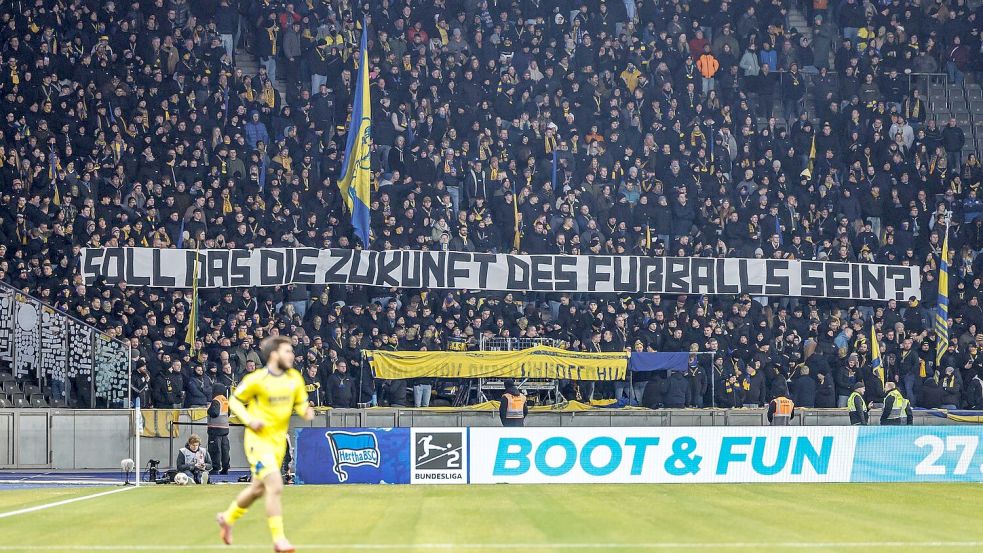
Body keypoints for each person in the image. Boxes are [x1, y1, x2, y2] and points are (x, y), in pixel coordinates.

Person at [217, 336, 315, 553]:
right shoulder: (257, 379)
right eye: (287, 351)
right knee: (275, 485)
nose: (292, 355)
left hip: (278, 443)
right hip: (257, 441)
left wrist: (305, 411)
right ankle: (279, 540)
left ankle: (227, 517)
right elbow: (234, 400)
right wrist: (250, 420)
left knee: (257, 489)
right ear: (274, 354)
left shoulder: (294, 378)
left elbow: (300, 403)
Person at [207, 390, 231, 475]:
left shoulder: (216, 400)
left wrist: (208, 409)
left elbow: (214, 413)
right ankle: (225, 467)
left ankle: (215, 468)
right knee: (225, 449)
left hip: (215, 428)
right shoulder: (225, 399)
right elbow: (228, 413)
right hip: (225, 428)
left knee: (215, 449)